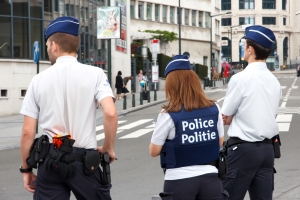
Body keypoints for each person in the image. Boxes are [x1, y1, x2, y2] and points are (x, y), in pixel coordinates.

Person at [19, 16, 118, 200]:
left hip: (51, 162)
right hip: (85, 163)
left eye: (48, 45)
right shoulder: (96, 74)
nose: (48, 49)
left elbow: (27, 132)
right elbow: (111, 113)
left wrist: (26, 168)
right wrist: (108, 148)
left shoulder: (37, 81)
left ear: (54, 46)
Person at [149, 55, 228, 200]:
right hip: (211, 180)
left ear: (171, 85)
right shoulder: (214, 109)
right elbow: (220, 142)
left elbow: (154, 151)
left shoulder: (168, 114)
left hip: (179, 182)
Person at [221, 25, 281, 200]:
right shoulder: (274, 81)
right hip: (267, 150)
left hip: (243, 150)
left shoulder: (241, 78)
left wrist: (234, 117)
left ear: (250, 49)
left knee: (228, 196)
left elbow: (225, 116)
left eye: (244, 44)